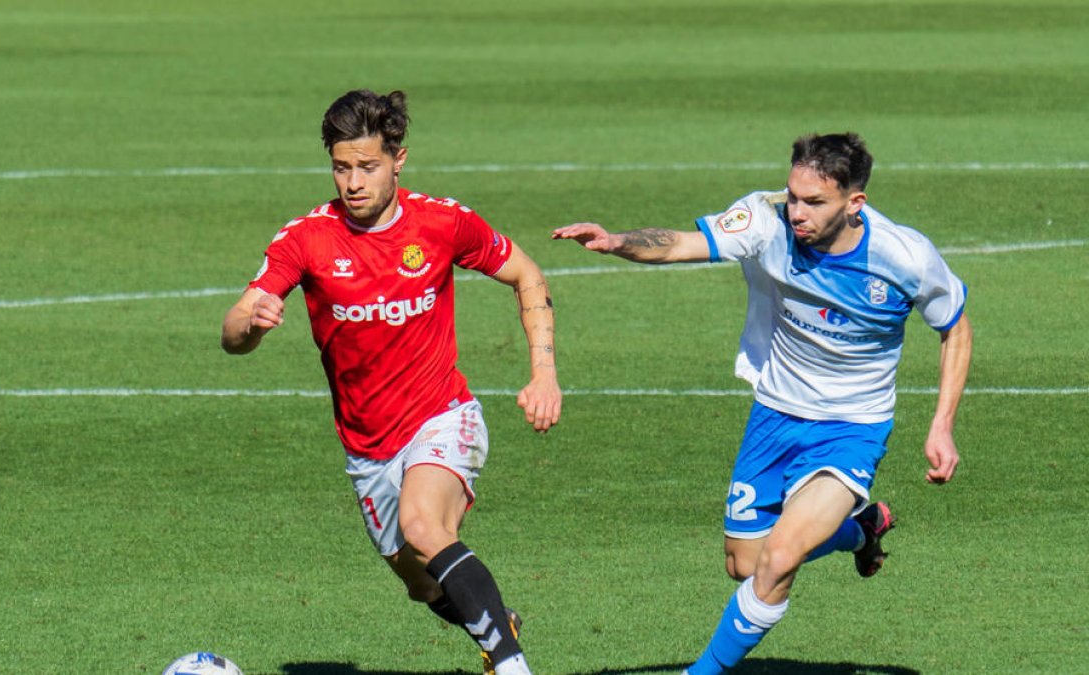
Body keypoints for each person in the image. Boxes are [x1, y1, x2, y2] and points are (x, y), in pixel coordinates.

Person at [553, 132, 971, 673]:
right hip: (774, 414)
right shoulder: (765, 219)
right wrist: (616, 242)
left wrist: (942, 426)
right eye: (793, 195)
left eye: (815, 202)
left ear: (855, 203)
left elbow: (955, 329)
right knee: (745, 564)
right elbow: (682, 243)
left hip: (851, 428)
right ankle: (861, 528)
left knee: (777, 559)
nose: (797, 211)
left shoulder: (903, 256)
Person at [222, 89, 561, 675]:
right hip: (366, 446)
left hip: (442, 415)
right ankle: (495, 621)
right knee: (422, 584)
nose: (353, 182)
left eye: (368, 167)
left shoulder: (442, 222)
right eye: (341, 167)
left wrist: (544, 372)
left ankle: (512, 667)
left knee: (423, 525)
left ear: (398, 160)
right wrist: (250, 325)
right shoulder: (305, 239)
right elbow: (232, 331)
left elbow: (526, 274)